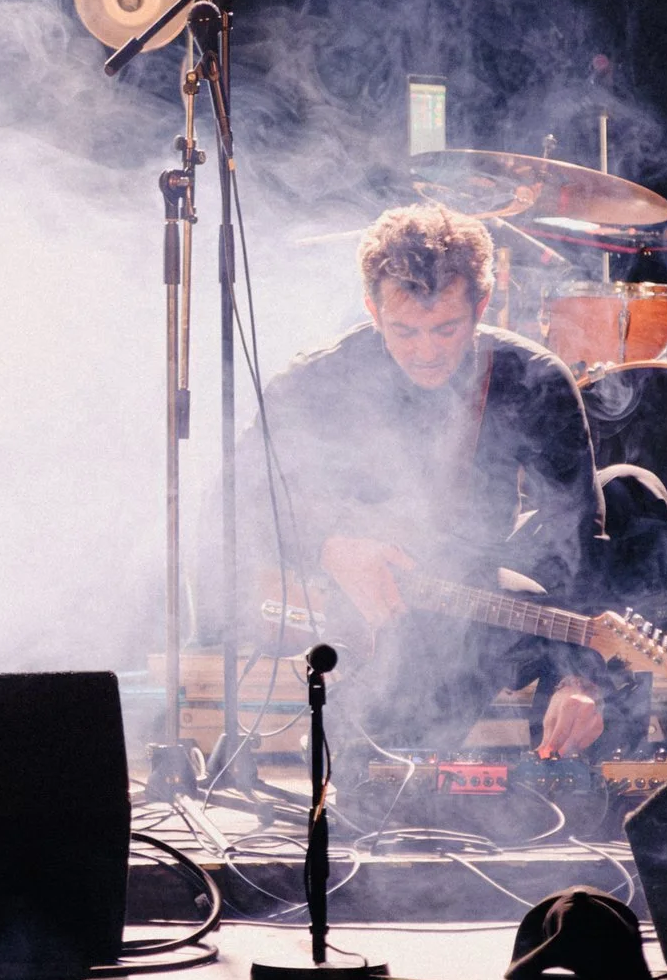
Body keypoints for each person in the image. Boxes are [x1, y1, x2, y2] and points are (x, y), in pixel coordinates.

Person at [244, 204, 614, 762]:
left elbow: (576, 533)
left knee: (630, 506)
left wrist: (579, 678)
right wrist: (330, 547)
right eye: (404, 330)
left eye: (447, 328)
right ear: (372, 310)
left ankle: (558, 776)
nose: (427, 351)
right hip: (335, 612)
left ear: (481, 306)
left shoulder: (529, 378)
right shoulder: (316, 381)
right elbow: (235, 500)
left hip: (469, 605)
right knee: (370, 770)